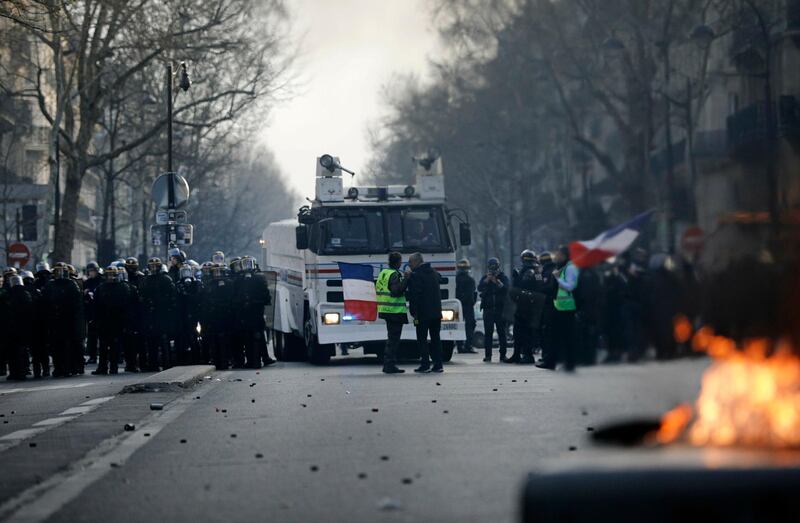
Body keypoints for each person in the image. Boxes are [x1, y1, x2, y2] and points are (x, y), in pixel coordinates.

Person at [540, 245, 579, 371]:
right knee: (554, 336)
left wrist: (557, 278)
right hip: (558, 306)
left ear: (565, 255)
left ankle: (569, 363)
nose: (557, 256)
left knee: (567, 336)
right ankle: (551, 362)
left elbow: (570, 287)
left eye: (559, 254)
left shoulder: (570, 268)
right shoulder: (561, 267)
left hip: (567, 308)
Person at [43, 263, 85, 377]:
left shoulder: (72, 284)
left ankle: (71, 367)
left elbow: (76, 303)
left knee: (70, 345)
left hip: (68, 319)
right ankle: (59, 367)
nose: (59, 274)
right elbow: (45, 301)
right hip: (55, 319)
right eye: (57, 271)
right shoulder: (50, 285)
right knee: (56, 345)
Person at [232, 256, 275, 368]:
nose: (247, 266)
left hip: (255, 311)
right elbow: (235, 294)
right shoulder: (239, 278)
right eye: (245, 264)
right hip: (246, 313)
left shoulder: (258, 278)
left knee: (258, 334)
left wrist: (256, 302)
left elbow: (266, 294)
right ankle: (253, 359)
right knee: (249, 335)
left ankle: (262, 357)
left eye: (249, 263)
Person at [405, 252, 443, 373]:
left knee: (422, 339)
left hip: (422, 314)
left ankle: (425, 364)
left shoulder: (416, 276)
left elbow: (414, 296)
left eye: (410, 263)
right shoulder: (433, 273)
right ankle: (438, 364)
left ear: (416, 262)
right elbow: (440, 278)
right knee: (436, 339)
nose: (409, 265)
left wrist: (413, 312)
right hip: (436, 313)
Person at [140, 258, 177, 370]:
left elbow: (172, 297)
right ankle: (153, 364)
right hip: (151, 315)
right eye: (152, 266)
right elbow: (142, 297)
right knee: (152, 342)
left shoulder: (166, 279)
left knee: (164, 341)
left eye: (156, 266)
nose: (154, 268)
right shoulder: (146, 280)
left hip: (163, 314)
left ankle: (167, 364)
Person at [509, 250, 545, 364]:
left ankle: (528, 355)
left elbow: (527, 287)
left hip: (527, 306)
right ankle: (516, 354)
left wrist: (517, 278)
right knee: (518, 331)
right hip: (525, 305)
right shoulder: (533, 271)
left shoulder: (532, 272)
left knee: (525, 332)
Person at [93, 266, 131, 375]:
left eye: (113, 274)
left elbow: (126, 306)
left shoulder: (122, 287)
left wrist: (125, 321)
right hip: (104, 321)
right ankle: (102, 367)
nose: (111, 277)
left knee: (114, 346)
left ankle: (113, 367)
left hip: (116, 321)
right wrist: (95, 320)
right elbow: (96, 306)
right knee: (103, 346)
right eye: (109, 274)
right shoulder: (101, 288)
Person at [376, 251, 409, 374]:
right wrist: (406, 279)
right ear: (398, 262)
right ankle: (389, 364)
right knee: (393, 340)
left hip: (385, 309)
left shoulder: (383, 273)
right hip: (394, 311)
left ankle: (389, 363)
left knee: (391, 338)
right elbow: (396, 291)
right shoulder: (394, 275)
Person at [478, 257, 509, 362]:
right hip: (488, 310)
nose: (493, 269)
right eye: (491, 267)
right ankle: (488, 355)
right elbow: (479, 288)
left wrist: (497, 282)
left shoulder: (503, 277)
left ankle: (503, 355)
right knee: (488, 333)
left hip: (500, 309)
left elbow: (507, 289)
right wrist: (487, 280)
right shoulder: (485, 277)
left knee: (502, 333)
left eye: (494, 267)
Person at [5, 275, 33, 380]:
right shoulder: (26, 294)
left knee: (12, 352)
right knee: (22, 351)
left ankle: (15, 372)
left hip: (11, 327)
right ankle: (22, 371)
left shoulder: (8, 294)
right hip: (22, 327)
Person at [455, 258, 477, 354]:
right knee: (470, 325)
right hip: (468, 305)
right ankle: (469, 345)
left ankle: (460, 346)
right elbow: (473, 294)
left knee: (458, 325)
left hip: (458, 305)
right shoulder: (470, 280)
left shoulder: (456, 279)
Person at [83, 261, 103, 364]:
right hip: (91, 313)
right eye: (90, 271)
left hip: (101, 312)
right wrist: (84, 294)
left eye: (93, 271)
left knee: (103, 336)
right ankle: (92, 356)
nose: (92, 273)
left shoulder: (102, 281)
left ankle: (105, 356)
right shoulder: (86, 283)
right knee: (92, 337)